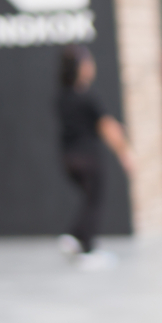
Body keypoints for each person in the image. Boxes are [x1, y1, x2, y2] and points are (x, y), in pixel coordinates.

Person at [55, 45, 134, 271]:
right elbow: (107, 128)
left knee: (88, 201)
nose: (91, 66)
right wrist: (126, 153)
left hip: (69, 159)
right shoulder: (87, 97)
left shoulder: (62, 96)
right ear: (80, 68)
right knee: (94, 202)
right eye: (87, 62)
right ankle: (87, 249)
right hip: (88, 158)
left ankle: (74, 237)